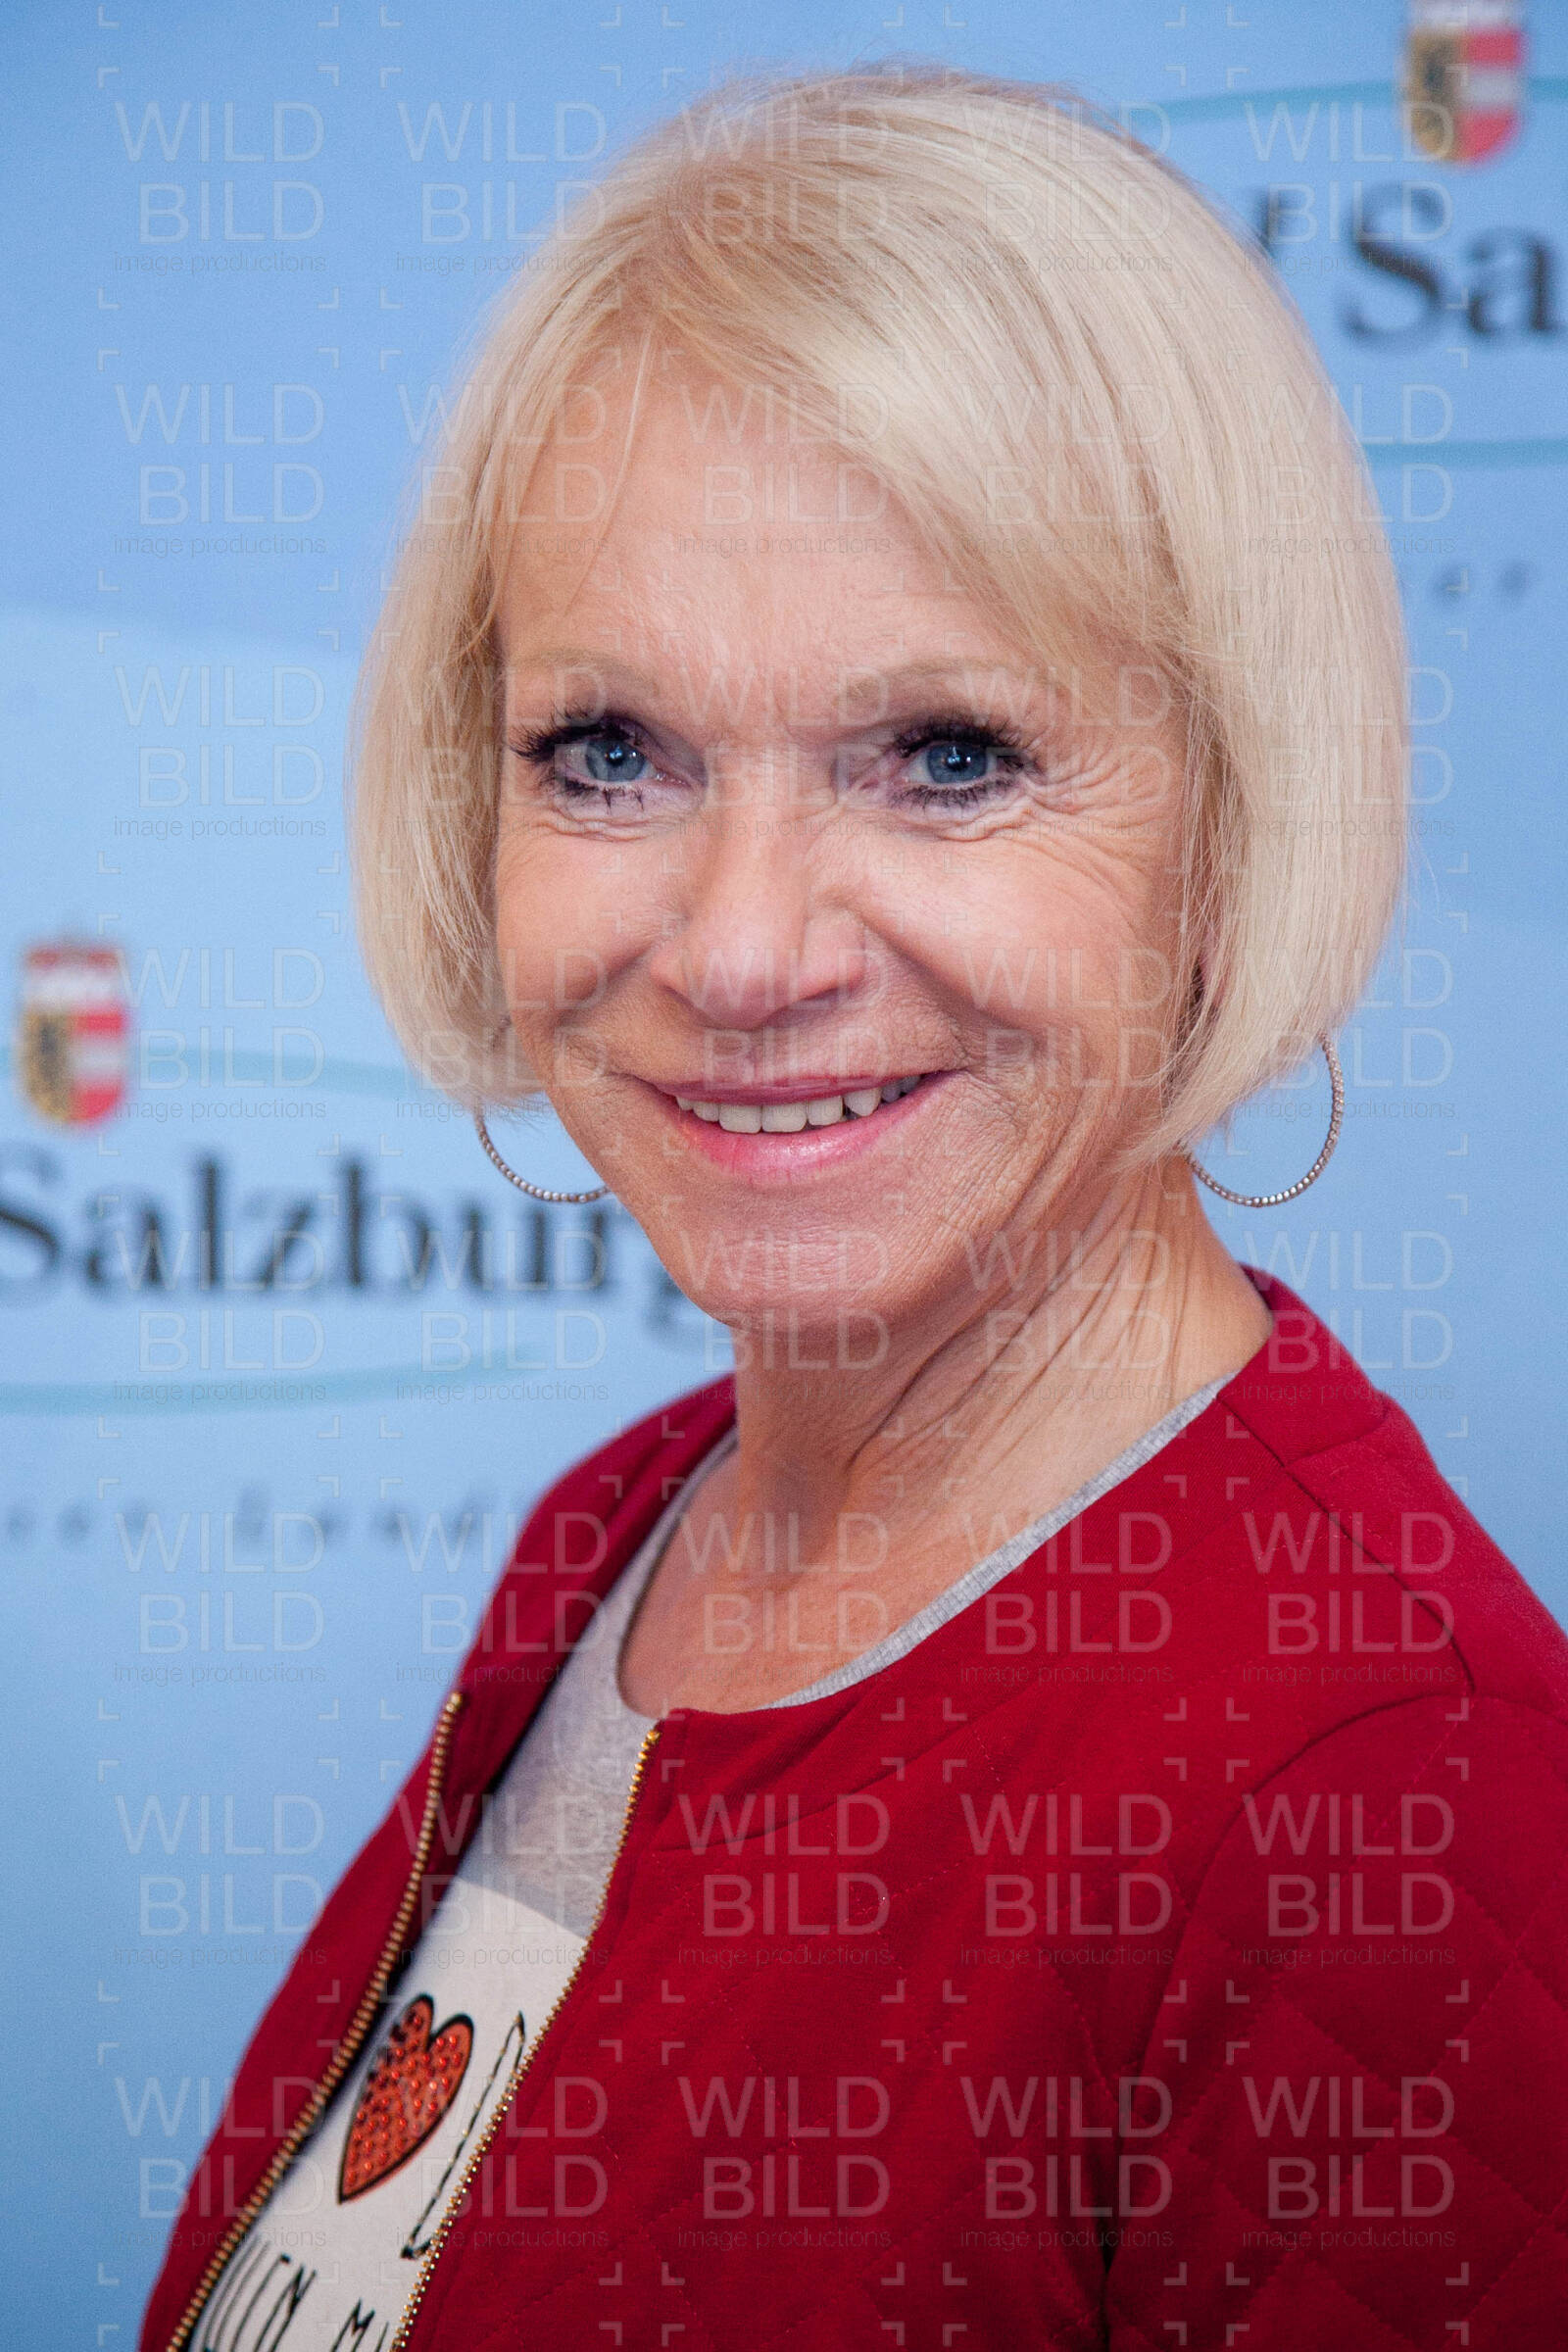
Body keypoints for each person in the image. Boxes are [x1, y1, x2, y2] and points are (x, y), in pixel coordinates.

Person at [140, 62, 1568, 2352]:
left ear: (1234, 820)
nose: (737, 948)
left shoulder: (1391, 1793)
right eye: (609, 753)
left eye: (946, 759)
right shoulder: (626, 1531)